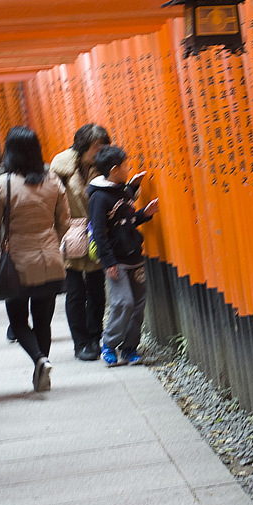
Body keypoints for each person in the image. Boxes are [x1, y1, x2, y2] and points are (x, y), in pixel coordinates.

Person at [0, 126, 70, 393]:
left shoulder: (4, 184)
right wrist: (51, 239)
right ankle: (43, 374)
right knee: (43, 322)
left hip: (17, 263)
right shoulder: (53, 182)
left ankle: (40, 359)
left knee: (17, 321)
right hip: (50, 261)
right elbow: (64, 222)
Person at [86, 145, 159, 367]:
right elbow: (99, 232)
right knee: (123, 302)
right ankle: (109, 344)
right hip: (116, 260)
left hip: (134, 256)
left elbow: (127, 221)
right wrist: (108, 262)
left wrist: (144, 214)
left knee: (138, 304)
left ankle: (129, 348)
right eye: (125, 165)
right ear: (115, 169)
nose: (128, 168)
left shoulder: (122, 191)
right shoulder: (99, 197)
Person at [50, 123, 111, 361]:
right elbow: (51, 200)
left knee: (97, 290)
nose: (101, 150)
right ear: (84, 146)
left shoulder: (106, 166)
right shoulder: (61, 168)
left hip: (96, 234)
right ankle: (81, 342)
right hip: (70, 234)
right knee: (75, 292)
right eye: (97, 146)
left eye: (104, 145)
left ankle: (95, 336)